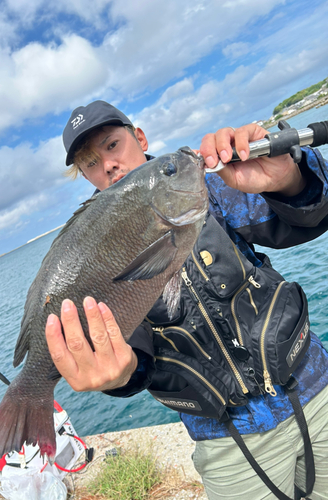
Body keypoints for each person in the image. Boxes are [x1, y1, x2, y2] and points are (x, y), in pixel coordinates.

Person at [45, 100, 328, 499]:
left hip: (316, 387)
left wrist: (290, 180)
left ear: (139, 138)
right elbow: (135, 355)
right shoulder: (98, 246)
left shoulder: (208, 186)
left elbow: (305, 218)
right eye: (90, 162)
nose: (107, 165)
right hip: (227, 440)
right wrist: (118, 375)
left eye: (112, 145)